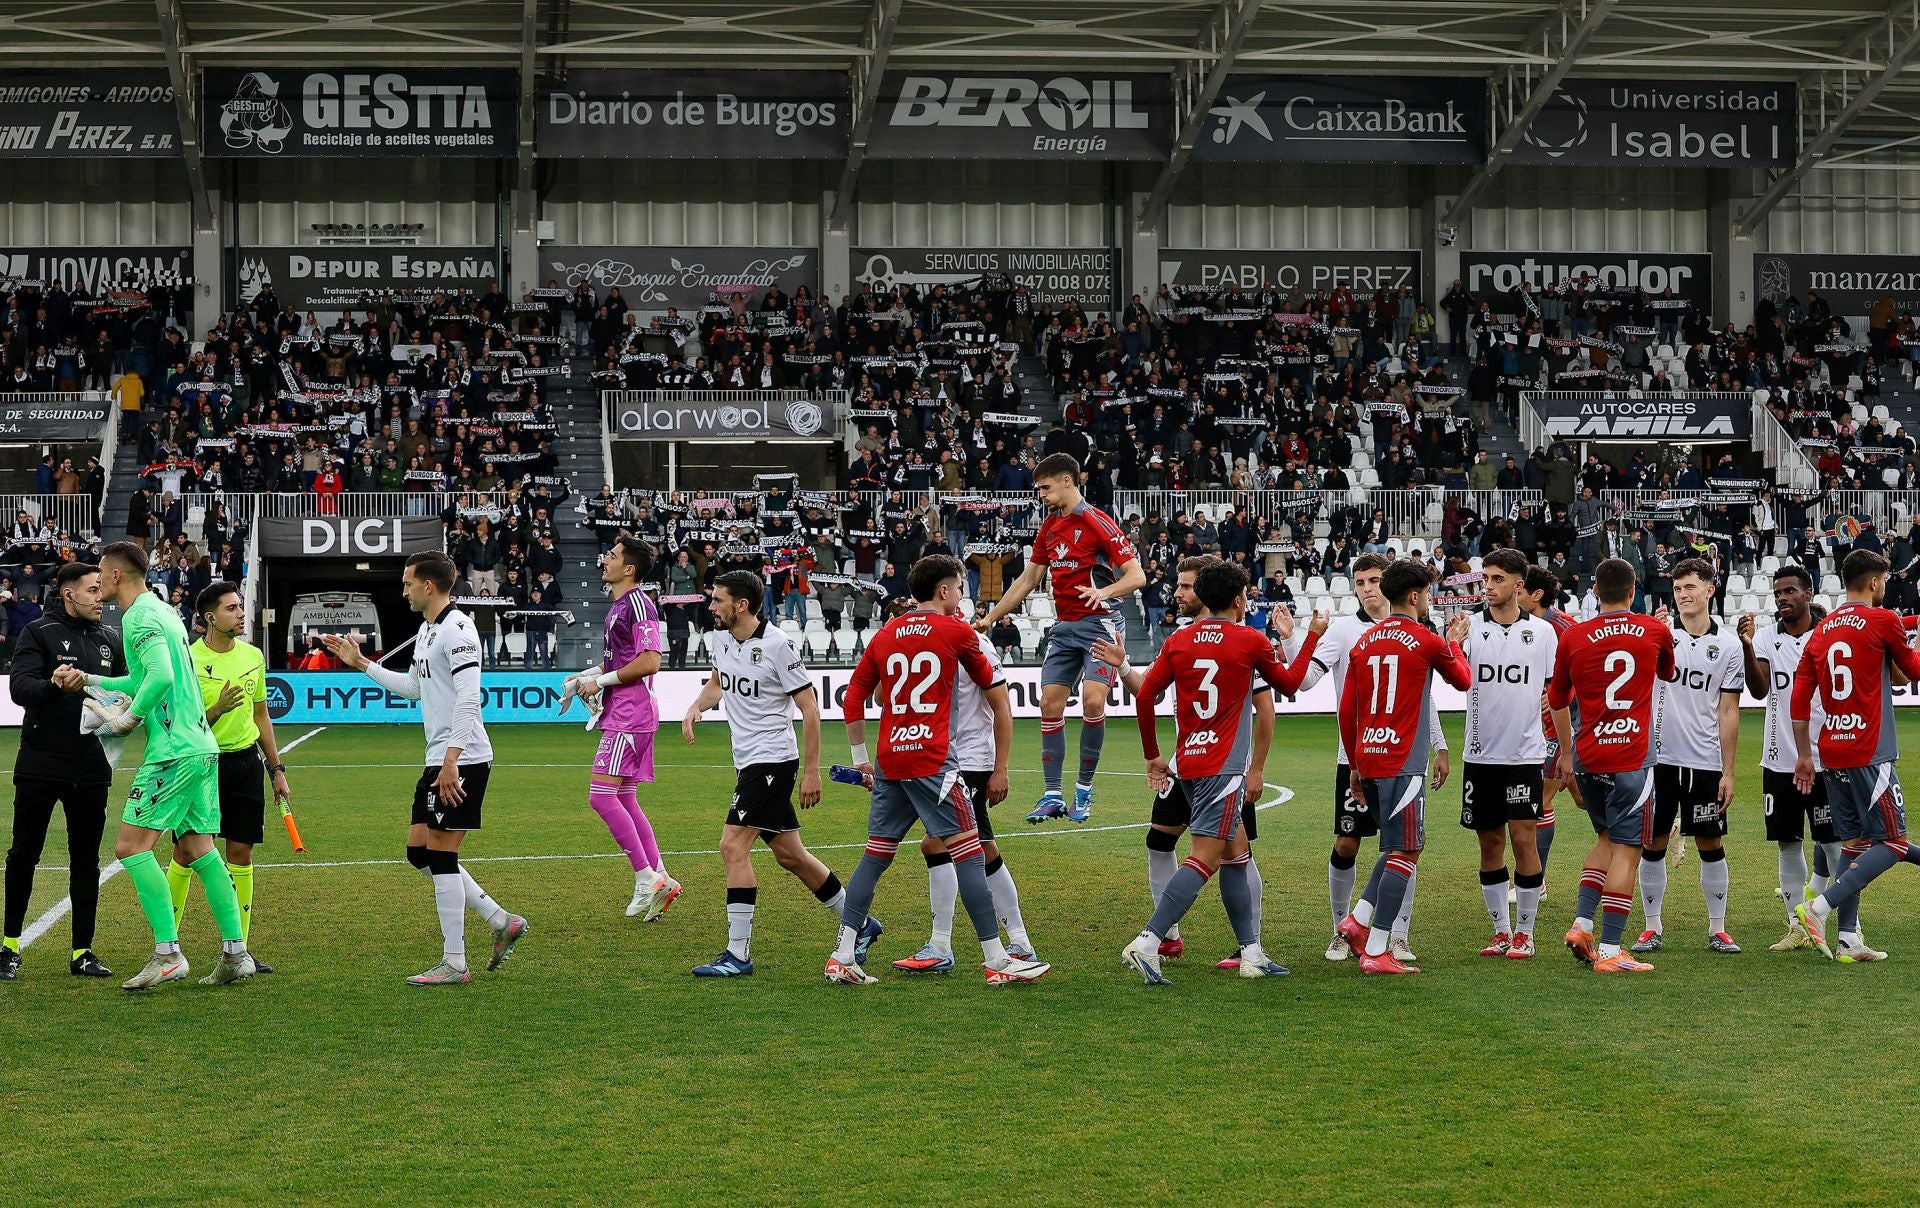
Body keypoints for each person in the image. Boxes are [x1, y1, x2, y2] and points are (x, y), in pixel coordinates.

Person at [834, 555, 1050, 986]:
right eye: (958, 587)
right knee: (970, 853)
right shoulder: (959, 631)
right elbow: (996, 695)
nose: (960, 595)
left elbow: (855, 696)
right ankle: (997, 958)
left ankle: (842, 955)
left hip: (890, 757)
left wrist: (860, 758)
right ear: (945, 591)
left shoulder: (886, 633)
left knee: (876, 855)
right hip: (934, 759)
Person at [320, 551, 528, 986]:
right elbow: (414, 688)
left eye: (407, 583)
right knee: (419, 852)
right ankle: (500, 919)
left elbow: (471, 698)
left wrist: (452, 760)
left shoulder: (458, 628)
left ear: (428, 586)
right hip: (439, 757)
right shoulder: (428, 630)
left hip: (462, 758)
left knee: (441, 854)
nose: (403, 590)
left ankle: (455, 962)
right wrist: (362, 664)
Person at [62, 542, 256, 990]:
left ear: (114, 575)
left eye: (101, 576)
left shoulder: (139, 617)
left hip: (173, 749)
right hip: (202, 746)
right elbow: (147, 676)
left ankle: (167, 954)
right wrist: (89, 680)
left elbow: (163, 678)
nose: (98, 586)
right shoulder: (163, 611)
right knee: (200, 848)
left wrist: (129, 718)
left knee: (130, 847)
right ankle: (236, 951)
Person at [1121, 560, 1322, 985]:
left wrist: (1153, 755)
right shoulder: (1248, 640)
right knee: (1205, 857)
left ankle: (1252, 952)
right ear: (1238, 599)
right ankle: (1149, 939)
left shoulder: (1179, 640)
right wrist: (1313, 638)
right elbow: (1289, 685)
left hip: (1188, 763)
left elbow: (1144, 698)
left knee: (1237, 854)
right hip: (1224, 766)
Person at [680, 571, 873, 978]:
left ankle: (737, 954)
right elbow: (719, 681)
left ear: (742, 605)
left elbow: (809, 709)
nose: (711, 607)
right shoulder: (721, 639)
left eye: (717, 600)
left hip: (773, 761)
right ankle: (861, 924)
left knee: (732, 846)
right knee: (792, 856)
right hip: (749, 762)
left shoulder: (778, 645)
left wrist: (811, 771)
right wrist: (698, 705)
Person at [1292, 553, 1450, 963]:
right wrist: (1298, 638)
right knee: (1350, 843)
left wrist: (1440, 744)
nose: (1367, 589)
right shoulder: (1344, 632)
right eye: (1359, 582)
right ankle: (1343, 930)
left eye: (1374, 580)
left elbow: (1425, 698)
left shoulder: (1418, 630)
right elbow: (1307, 682)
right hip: (1357, 759)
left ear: (1391, 584)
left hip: (1402, 755)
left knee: (1403, 843)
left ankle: (1397, 934)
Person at [976, 453, 1145, 825]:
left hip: (1100, 624)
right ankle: (1053, 794)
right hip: (1065, 627)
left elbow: (1137, 576)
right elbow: (1027, 580)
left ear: (1068, 481)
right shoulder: (1050, 527)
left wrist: (1104, 592)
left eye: (1045, 488)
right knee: (1049, 704)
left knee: (1091, 700)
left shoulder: (1097, 521)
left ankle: (1084, 789)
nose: (1041, 495)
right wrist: (992, 616)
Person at [1333, 560, 1473, 975]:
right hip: (1403, 760)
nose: (1429, 601)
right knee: (1407, 848)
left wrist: (1355, 764)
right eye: (1427, 594)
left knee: (1401, 846)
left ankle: (1357, 920)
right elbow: (1463, 681)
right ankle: (1377, 948)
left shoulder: (1365, 641)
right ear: (1414, 596)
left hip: (1369, 757)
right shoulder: (1426, 640)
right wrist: (1454, 643)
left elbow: (1347, 710)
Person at [892, 581, 1037, 976]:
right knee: (970, 846)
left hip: (968, 761)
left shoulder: (975, 644)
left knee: (947, 845)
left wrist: (1000, 768)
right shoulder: (930, 642)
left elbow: (1002, 709)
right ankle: (1013, 942)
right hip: (943, 760)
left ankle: (956, 946)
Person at [1548, 557, 1676, 973]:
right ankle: (1610, 949)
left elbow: (1557, 698)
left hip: (1588, 754)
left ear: (1595, 592)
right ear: (1634, 588)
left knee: (1605, 837)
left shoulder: (1574, 636)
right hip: (1631, 758)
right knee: (1628, 849)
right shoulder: (1655, 631)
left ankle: (1582, 924)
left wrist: (1567, 753)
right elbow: (1667, 672)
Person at [1793, 550, 1920, 960]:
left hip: (1832, 748)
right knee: (1895, 842)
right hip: (1871, 750)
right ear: (1875, 583)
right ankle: (1820, 906)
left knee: (1856, 842)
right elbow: (1912, 672)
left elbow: (1799, 698)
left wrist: (1803, 755)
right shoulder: (1883, 621)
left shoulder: (1822, 629)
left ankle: (1848, 937)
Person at [1, 562, 124, 980]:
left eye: (100, 590)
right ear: (69, 593)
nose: (99, 597)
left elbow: (129, 688)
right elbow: (20, 690)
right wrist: (53, 685)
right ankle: (9, 946)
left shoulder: (110, 639)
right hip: (41, 764)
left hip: (92, 768)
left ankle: (82, 951)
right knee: (24, 855)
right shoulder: (38, 633)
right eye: (91, 590)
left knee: (86, 861)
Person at [164, 582, 293, 972]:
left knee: (242, 853)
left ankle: (238, 950)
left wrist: (277, 770)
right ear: (209, 617)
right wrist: (217, 709)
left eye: (240, 607)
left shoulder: (253, 656)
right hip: (200, 765)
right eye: (232, 608)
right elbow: (179, 723)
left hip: (244, 765)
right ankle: (166, 945)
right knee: (186, 853)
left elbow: (261, 716)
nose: (241, 614)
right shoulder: (186, 659)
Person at [1631, 558, 1745, 955]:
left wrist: (1728, 771)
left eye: (1690, 587)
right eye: (1678, 589)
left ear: (1710, 590)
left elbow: (1728, 710)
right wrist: (1651, 632)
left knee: (1710, 842)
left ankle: (1718, 928)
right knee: (1654, 841)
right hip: (1659, 760)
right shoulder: (1662, 636)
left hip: (1706, 762)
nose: (1683, 596)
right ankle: (1651, 927)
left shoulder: (1729, 645)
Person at [564, 536, 674, 920]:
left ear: (629, 569)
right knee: (625, 797)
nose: (604, 560)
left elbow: (649, 662)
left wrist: (603, 682)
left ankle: (645, 878)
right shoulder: (619, 606)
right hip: (627, 713)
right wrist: (585, 677)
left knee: (601, 796)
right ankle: (660, 876)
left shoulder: (640, 604)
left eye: (611, 555)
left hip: (631, 714)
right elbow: (621, 659)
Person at [1739, 566, 1848, 953]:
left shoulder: (1829, 635)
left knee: (1834, 844)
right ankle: (1796, 925)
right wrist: (1749, 648)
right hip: (1779, 760)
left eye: (1789, 591)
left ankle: (1847, 927)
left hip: (1825, 760)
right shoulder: (1767, 637)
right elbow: (1758, 689)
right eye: (1777, 592)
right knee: (1788, 843)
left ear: (1808, 593)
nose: (1782, 597)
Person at [1459, 548, 1559, 959]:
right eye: (1486, 578)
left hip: (1524, 756)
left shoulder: (1544, 633)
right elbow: (1455, 683)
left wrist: (1565, 750)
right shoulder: (1469, 630)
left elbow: (1557, 692)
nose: (1488, 586)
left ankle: (1525, 933)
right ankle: (1500, 931)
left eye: (1497, 579)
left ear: (1519, 585)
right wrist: (1452, 647)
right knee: (1489, 844)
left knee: (1524, 840)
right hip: (1480, 756)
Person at [1520, 566, 1578, 885]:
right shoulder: (1523, 625)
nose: (1515, 596)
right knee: (1583, 800)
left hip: (1564, 728)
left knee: (1539, 799)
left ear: (1537, 595)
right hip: (1535, 729)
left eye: (1520, 591)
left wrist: (1560, 693)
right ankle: (1647, 824)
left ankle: (1536, 881)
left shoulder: (1565, 628)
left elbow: (1590, 674)